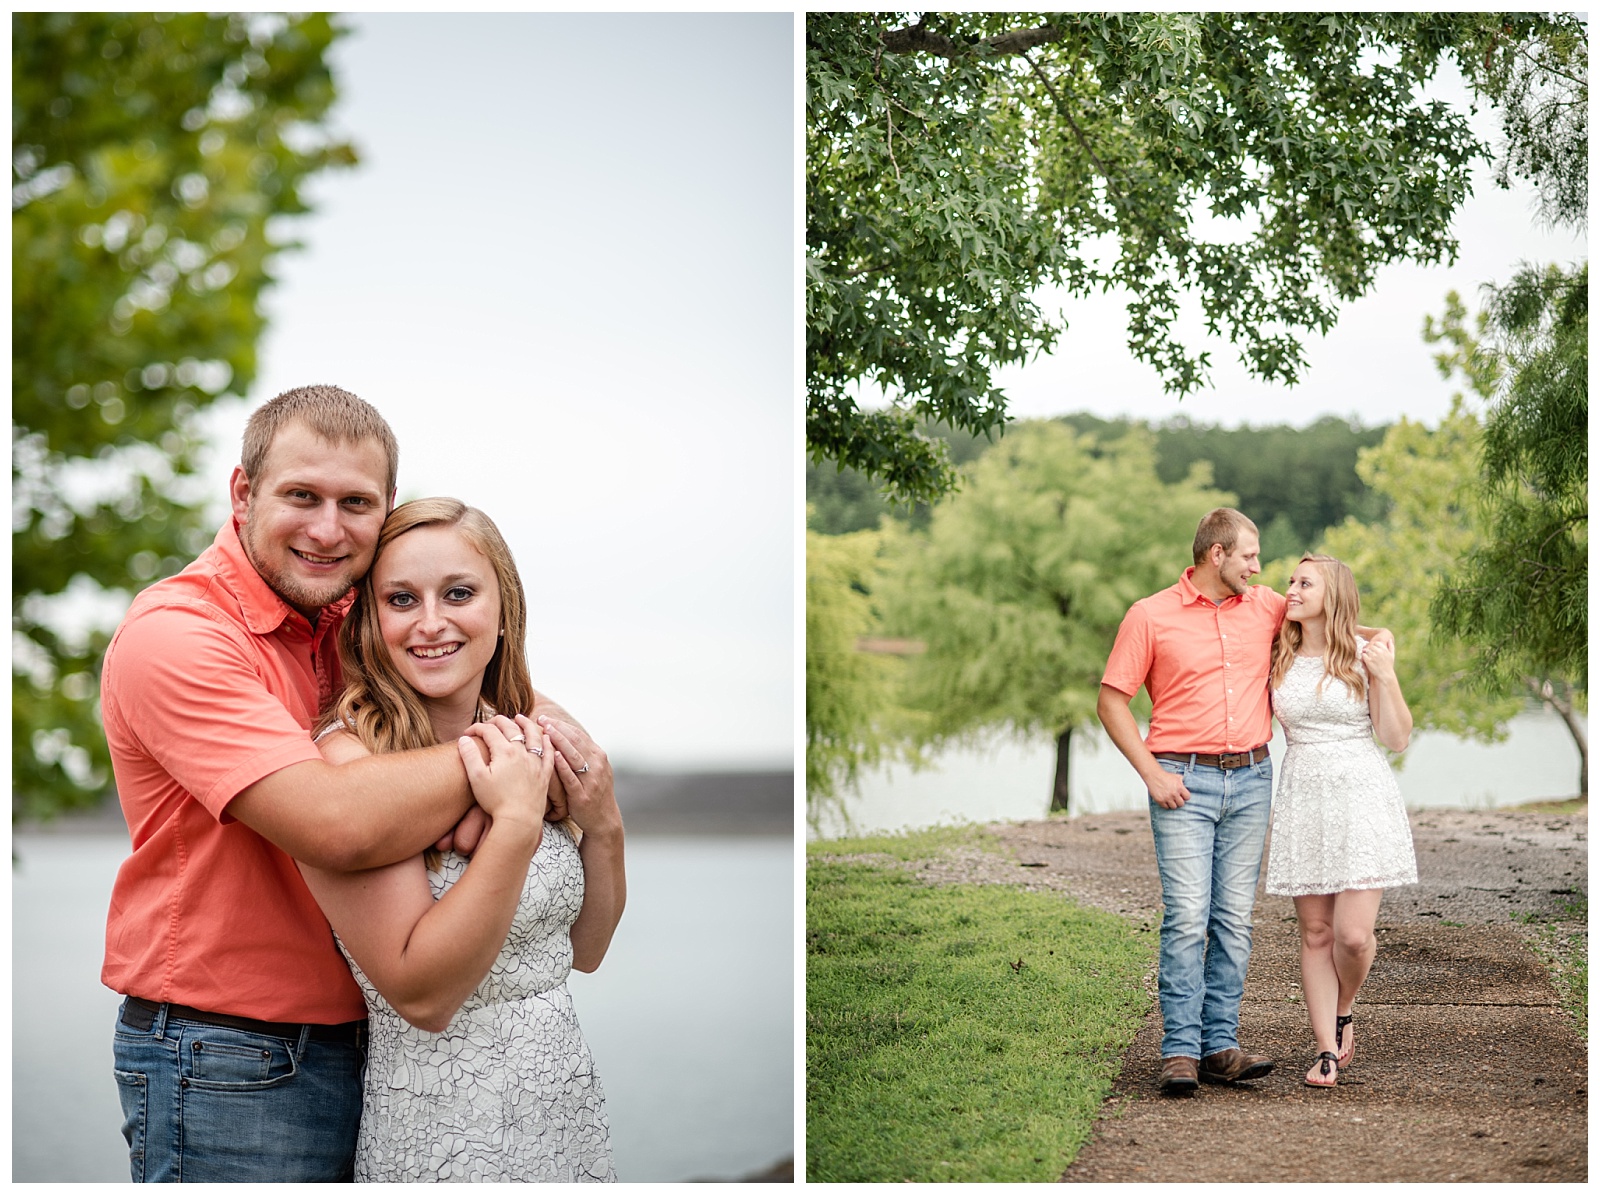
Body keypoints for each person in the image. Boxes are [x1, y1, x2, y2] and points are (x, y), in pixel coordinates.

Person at [100, 385, 602, 1182]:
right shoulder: (177, 638)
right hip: (229, 1053)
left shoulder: (346, 617)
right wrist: (510, 771)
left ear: (385, 508)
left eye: (355, 502)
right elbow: (337, 821)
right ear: (242, 492)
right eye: (302, 495)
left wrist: (523, 746)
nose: (328, 528)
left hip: (372, 1043)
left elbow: (498, 692)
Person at [297, 497, 626, 1181]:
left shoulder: (526, 736)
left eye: (458, 593)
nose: (432, 622)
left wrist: (604, 822)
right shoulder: (349, 765)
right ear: (370, 622)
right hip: (439, 1124)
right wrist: (512, 823)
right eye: (401, 599)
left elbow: (585, 950)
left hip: (559, 1108)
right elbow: (423, 995)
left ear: (503, 610)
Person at [1097, 508, 1391, 1096]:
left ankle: (1219, 1047)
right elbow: (1111, 701)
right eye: (1250, 557)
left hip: (1253, 779)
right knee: (1187, 918)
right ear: (1217, 555)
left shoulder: (1265, 608)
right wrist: (1152, 774)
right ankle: (1180, 1050)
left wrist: (1381, 643)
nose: (1261, 569)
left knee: (1233, 921)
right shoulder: (1149, 615)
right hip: (1181, 781)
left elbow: (1336, 619)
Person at [1263, 553, 1416, 1089]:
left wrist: (1386, 672)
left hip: (1361, 794)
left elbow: (1396, 738)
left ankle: (1345, 1007)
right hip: (1303, 793)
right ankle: (1326, 1048)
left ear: (1334, 594)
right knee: (1316, 931)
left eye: (1306, 583)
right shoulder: (1277, 649)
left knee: (1352, 937)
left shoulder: (1363, 655)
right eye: (1291, 580)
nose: (1292, 589)